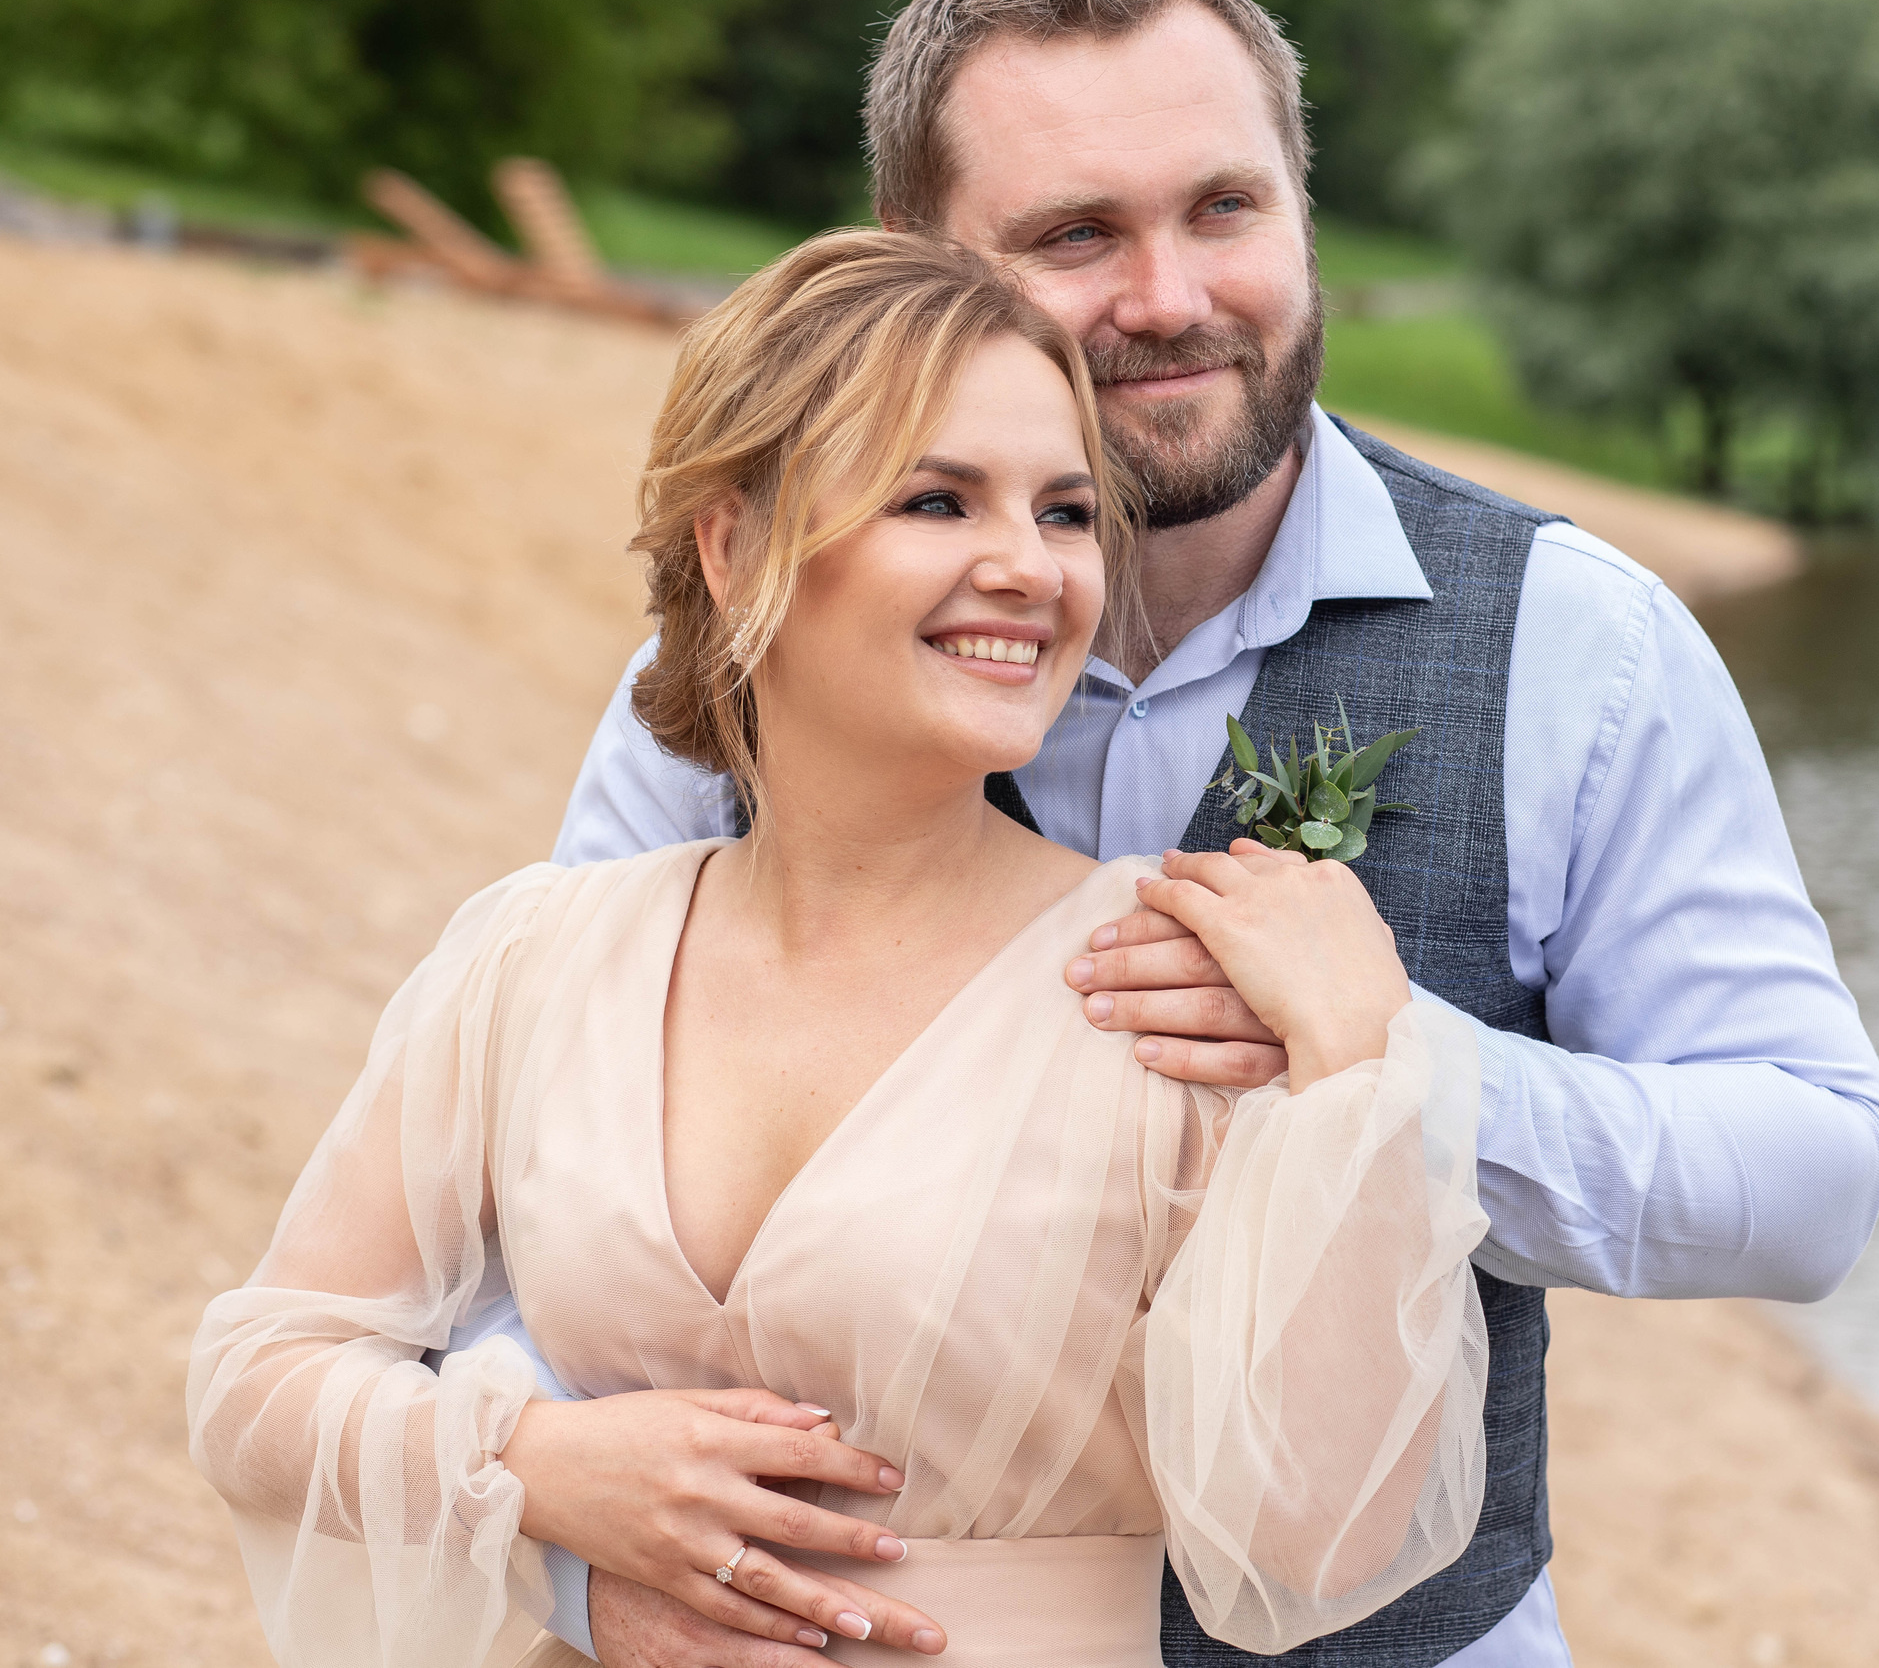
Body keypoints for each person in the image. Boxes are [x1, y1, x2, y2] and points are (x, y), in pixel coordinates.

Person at [493, 0, 1879, 1665]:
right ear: (917, 265)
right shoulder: (752, 655)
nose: (1171, 298)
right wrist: (559, 1512)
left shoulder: (1579, 646)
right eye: (1075, 235)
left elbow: (1813, 1175)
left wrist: (1394, 1078)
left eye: (1224, 207)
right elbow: (533, 1179)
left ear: (1302, 208)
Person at [189, 232, 1497, 1668]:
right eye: (939, 499)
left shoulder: (1173, 993)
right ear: (735, 543)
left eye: (1067, 515)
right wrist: (541, 1468)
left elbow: (1324, 1543)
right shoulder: (541, 955)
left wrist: (1361, 1059)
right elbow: (259, 1377)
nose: (1029, 568)